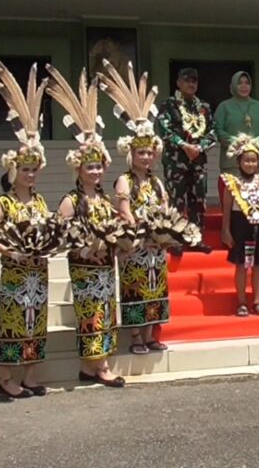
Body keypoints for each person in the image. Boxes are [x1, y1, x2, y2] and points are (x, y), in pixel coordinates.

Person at [45, 65, 126, 388]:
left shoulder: (105, 199)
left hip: (106, 267)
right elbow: (58, 234)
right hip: (84, 269)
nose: (95, 172)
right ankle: (102, 367)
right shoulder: (70, 200)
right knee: (91, 315)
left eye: (98, 167)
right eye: (89, 167)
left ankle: (89, 367)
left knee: (105, 314)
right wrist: (82, 246)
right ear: (78, 169)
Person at [0, 60, 51, 398]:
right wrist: (10, 251)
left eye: (34, 170)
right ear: (14, 172)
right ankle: (6, 378)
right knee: (12, 323)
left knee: (36, 320)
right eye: (25, 170)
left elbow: (49, 230)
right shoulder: (3, 202)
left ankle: (31, 375)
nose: (30, 175)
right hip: (14, 272)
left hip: (38, 272)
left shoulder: (40, 201)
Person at [100, 62, 172, 354]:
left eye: (149, 153)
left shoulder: (156, 182)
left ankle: (151, 335)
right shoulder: (124, 180)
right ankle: (135, 338)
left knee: (155, 288)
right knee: (136, 289)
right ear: (131, 153)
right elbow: (124, 210)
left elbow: (165, 207)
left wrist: (163, 231)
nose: (145, 157)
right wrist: (139, 231)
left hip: (155, 246)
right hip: (135, 244)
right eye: (141, 152)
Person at [154, 67, 216, 253]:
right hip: (176, 161)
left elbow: (212, 132)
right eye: (187, 80)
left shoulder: (204, 107)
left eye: (194, 81)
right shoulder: (169, 105)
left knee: (198, 200)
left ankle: (195, 239)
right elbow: (163, 129)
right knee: (177, 200)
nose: (191, 84)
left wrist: (200, 147)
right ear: (178, 83)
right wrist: (184, 145)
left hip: (198, 161)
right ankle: (176, 240)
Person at [219, 134, 259, 317]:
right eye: (246, 160)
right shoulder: (232, 183)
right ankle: (242, 302)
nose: (250, 164)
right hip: (239, 225)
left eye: (253, 160)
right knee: (241, 265)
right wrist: (226, 230)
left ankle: (258, 302)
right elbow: (227, 209)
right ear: (239, 161)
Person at [214, 71, 259, 176]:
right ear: (233, 85)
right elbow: (217, 129)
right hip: (232, 162)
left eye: (247, 83)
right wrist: (236, 142)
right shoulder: (224, 106)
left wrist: (256, 142)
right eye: (240, 83)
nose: (244, 86)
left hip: (256, 161)